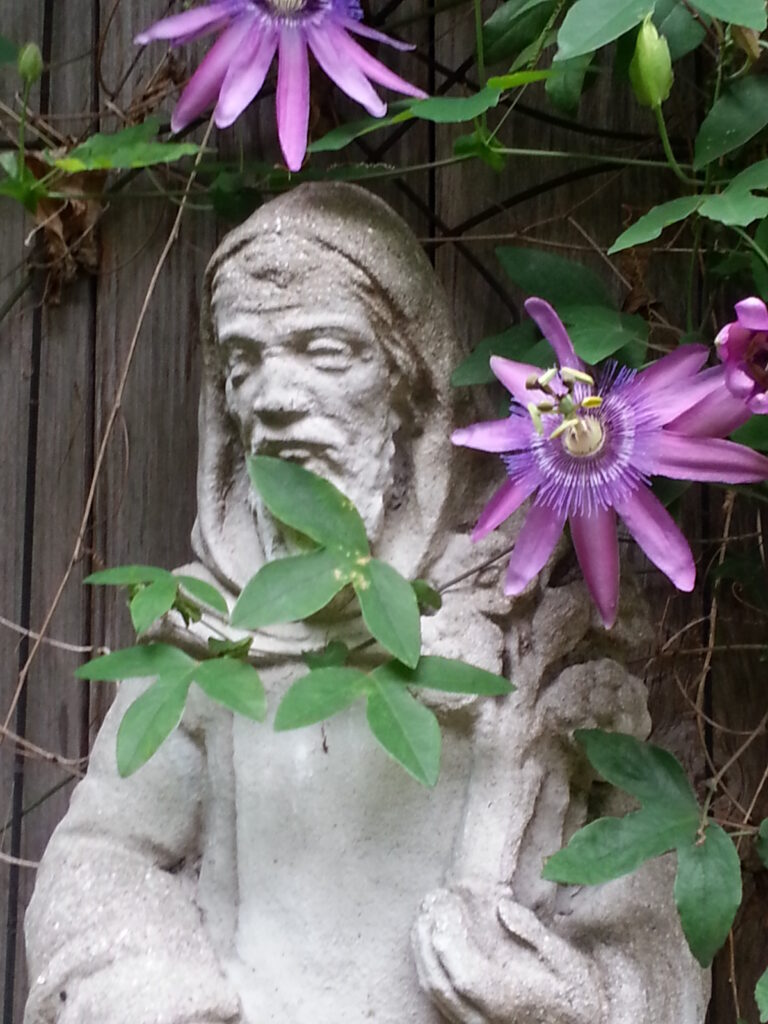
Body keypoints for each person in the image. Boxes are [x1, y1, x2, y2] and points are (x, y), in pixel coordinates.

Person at [24, 184, 708, 1024]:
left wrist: (562, 998)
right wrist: (146, 989)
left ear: (410, 385)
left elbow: (650, 925)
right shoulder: (209, 633)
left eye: (324, 349)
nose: (272, 394)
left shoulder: (526, 618)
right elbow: (105, 856)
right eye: (243, 361)